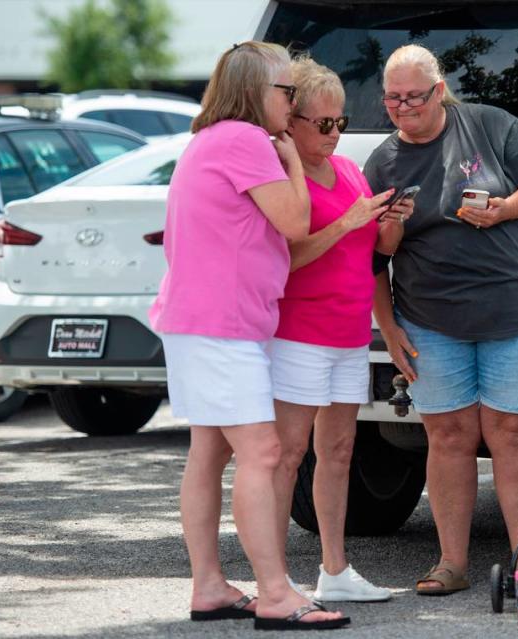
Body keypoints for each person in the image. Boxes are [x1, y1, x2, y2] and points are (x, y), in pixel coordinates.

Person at [149, 41, 348, 630]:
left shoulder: (209, 140)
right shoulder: (243, 139)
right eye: (286, 92)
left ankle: (210, 585)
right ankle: (275, 593)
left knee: (210, 452)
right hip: (221, 326)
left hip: (204, 322)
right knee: (261, 453)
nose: (292, 103)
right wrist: (290, 159)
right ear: (253, 93)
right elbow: (294, 221)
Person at [363, 44, 518, 595]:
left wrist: (503, 208)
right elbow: (374, 259)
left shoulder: (490, 125)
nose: (402, 107)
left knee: (513, 433)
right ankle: (451, 563)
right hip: (429, 318)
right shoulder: (382, 161)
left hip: (515, 308)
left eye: (413, 96)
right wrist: (388, 329)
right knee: (448, 436)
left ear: (439, 91)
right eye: (392, 98)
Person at [268, 57, 413, 603]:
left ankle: (335, 569)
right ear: (292, 120)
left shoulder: (349, 170)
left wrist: (390, 224)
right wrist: (350, 221)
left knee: (340, 451)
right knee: (287, 456)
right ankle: (274, 573)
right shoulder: (285, 176)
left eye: (340, 124)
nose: (334, 134)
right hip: (299, 332)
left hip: (349, 333)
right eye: (323, 124)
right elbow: (286, 255)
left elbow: (378, 253)